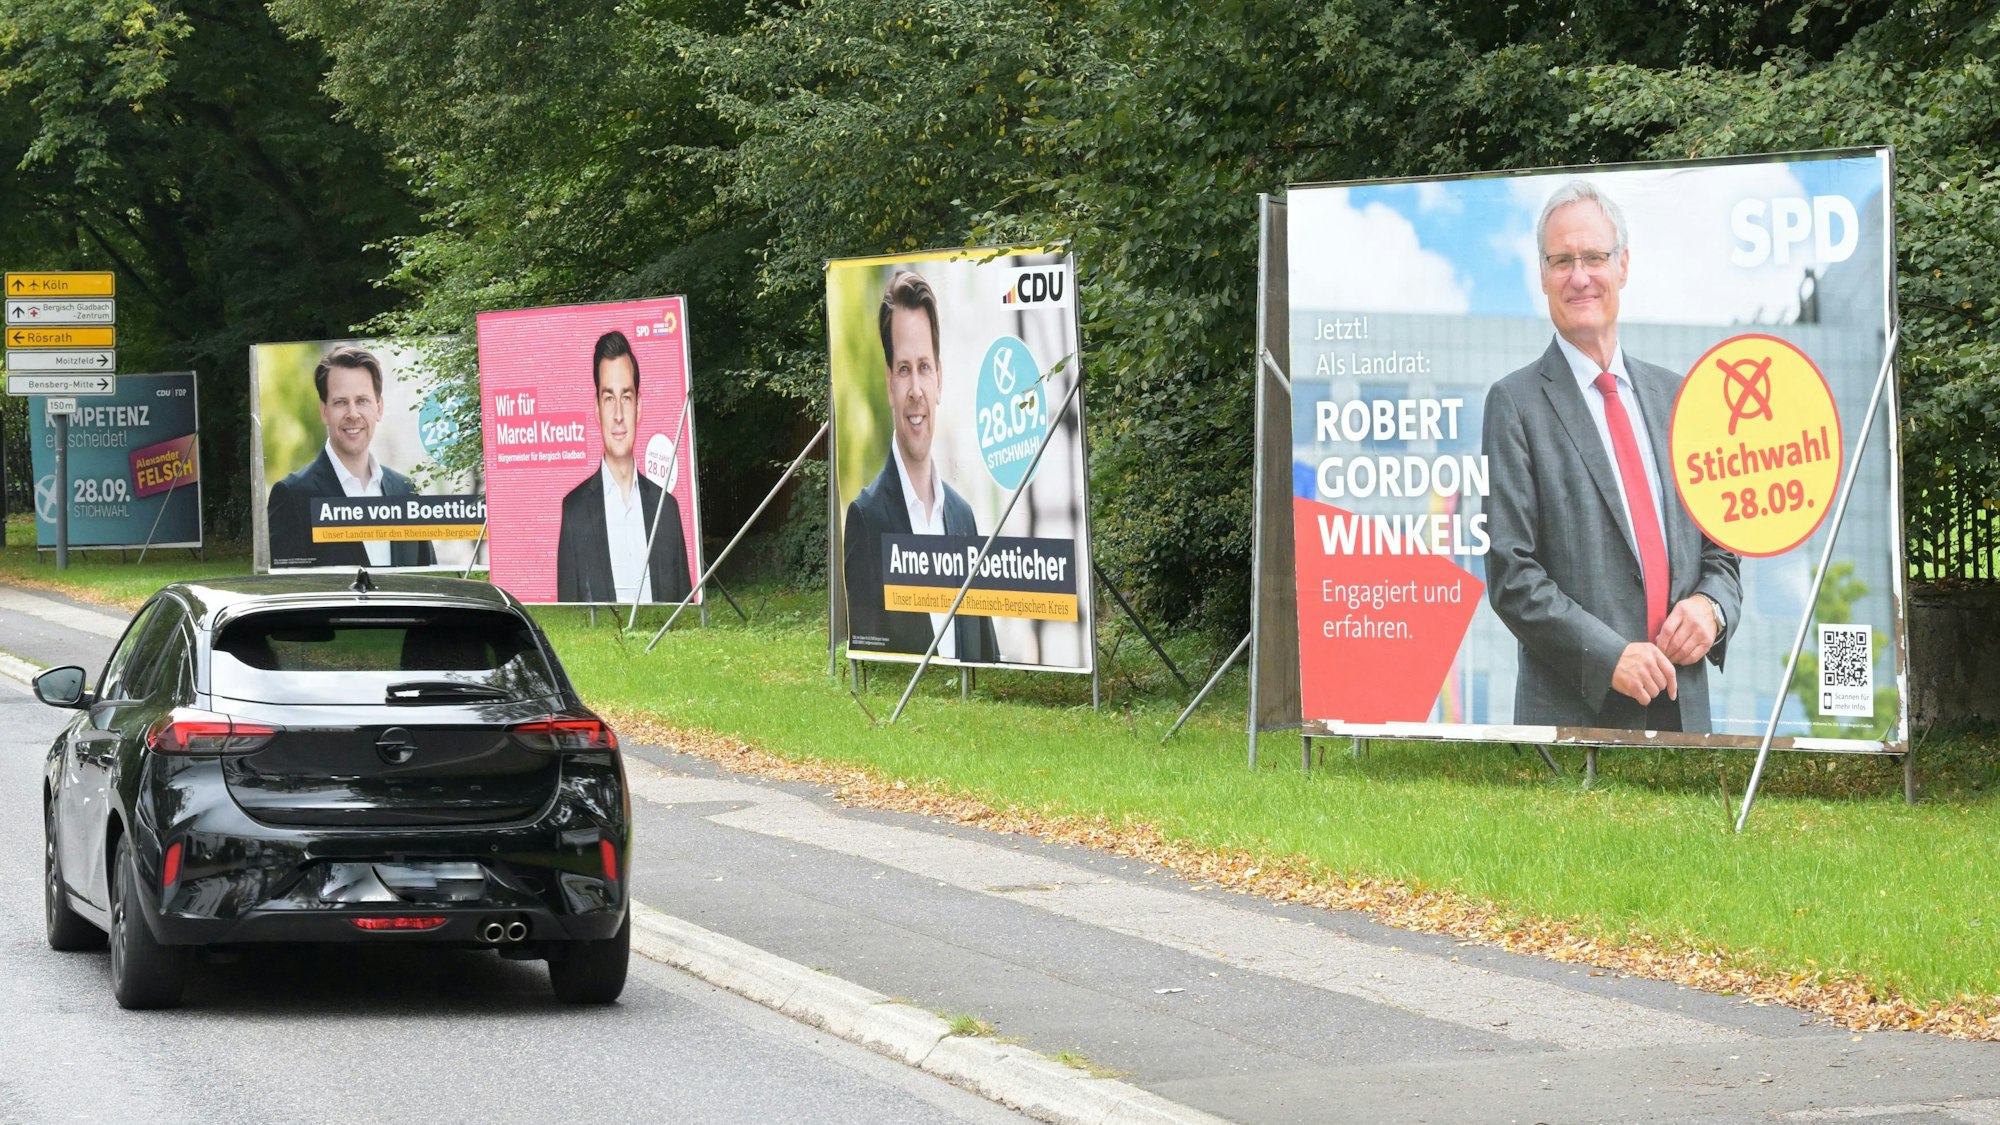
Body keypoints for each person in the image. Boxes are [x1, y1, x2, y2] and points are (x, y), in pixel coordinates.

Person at [1482, 181, 1742, 732]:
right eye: (1562, 261)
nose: (1579, 276)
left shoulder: (1679, 400)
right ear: (1543, 275)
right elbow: (1511, 573)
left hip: (1684, 711)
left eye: (1594, 257)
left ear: (1622, 265)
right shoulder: (1515, 405)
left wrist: (1710, 610)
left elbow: (1721, 553)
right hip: (1576, 718)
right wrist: (1609, 658)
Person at [842, 269, 999, 661]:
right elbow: (868, 659)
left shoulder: (963, 519)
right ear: (890, 384)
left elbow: (987, 659)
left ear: (939, 380)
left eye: (924, 367)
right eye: (904, 369)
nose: (915, 390)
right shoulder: (865, 519)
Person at [267, 346, 435, 569]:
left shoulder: (407, 492)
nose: (353, 414)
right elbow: (286, 589)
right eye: (340, 402)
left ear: (379, 408)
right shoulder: (292, 496)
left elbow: (429, 581)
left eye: (362, 400)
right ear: (324, 411)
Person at [555, 330, 693, 603]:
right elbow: (568, 618)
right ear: (597, 409)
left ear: (639, 407)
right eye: (609, 398)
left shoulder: (667, 508)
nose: (618, 415)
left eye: (626, 397)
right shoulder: (574, 510)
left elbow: (684, 611)